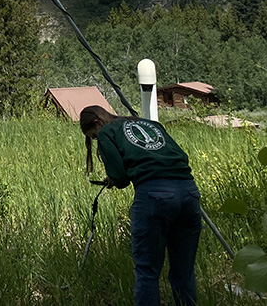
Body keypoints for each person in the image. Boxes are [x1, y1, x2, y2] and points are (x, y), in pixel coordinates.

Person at [79, 105, 202, 306]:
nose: (95, 139)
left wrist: (114, 178)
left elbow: (120, 177)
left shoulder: (107, 132)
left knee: (147, 272)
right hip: (188, 191)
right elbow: (178, 155)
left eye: (93, 136)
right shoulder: (150, 124)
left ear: (96, 122)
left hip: (154, 194)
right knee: (184, 271)